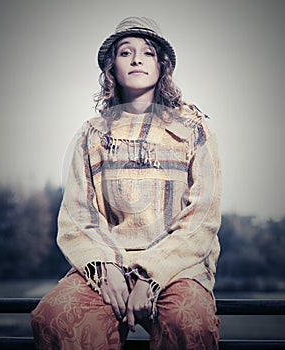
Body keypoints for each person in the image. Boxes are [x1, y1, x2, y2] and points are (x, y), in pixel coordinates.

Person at [31, 16, 222, 350]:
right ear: (111, 68)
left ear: (162, 66)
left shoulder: (193, 130)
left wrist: (151, 274)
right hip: (109, 268)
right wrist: (107, 268)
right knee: (55, 315)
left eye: (147, 53)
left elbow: (202, 218)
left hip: (177, 269)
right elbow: (78, 215)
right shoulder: (91, 134)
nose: (136, 59)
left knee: (189, 321)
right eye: (125, 52)